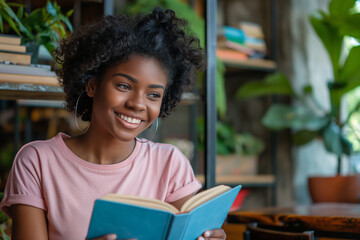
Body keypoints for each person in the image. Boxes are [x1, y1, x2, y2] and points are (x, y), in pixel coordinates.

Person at [0, 7, 226, 240]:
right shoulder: (37, 162)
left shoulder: (170, 164)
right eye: (124, 86)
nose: (138, 104)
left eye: (153, 95)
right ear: (92, 85)